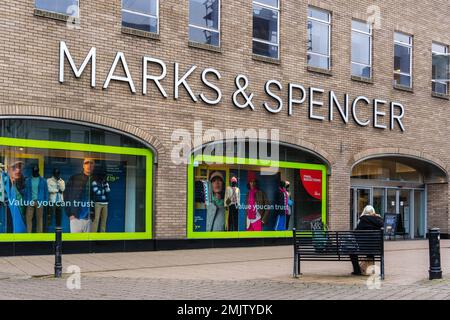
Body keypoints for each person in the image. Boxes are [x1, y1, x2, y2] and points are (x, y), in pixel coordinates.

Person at [64, 158, 96, 233]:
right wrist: (70, 214)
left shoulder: (96, 180)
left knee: (88, 244)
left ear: (94, 166)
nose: (89, 165)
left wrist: (93, 216)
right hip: (75, 218)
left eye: (91, 163)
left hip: (89, 218)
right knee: (75, 243)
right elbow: (66, 196)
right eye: (86, 163)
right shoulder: (74, 178)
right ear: (83, 166)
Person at [350, 205, 384, 275]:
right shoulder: (379, 220)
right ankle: (370, 270)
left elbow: (355, 234)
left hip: (362, 248)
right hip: (376, 248)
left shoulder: (362, 220)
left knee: (352, 252)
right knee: (370, 250)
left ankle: (357, 270)